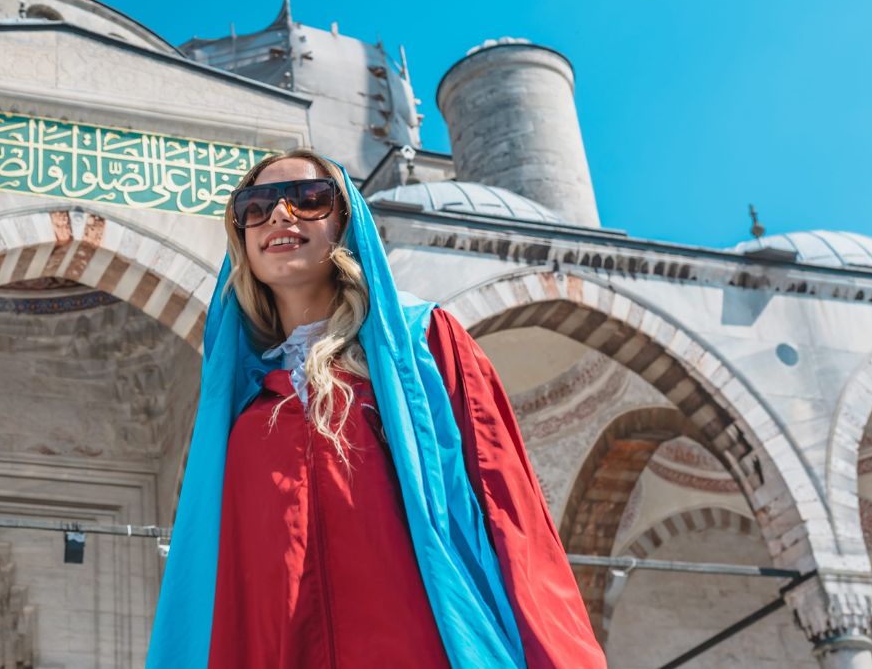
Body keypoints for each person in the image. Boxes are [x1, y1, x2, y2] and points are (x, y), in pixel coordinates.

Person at [148, 149, 604, 668]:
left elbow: (510, 514)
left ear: (347, 222)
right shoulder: (244, 408)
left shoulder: (423, 347)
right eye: (255, 205)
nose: (279, 214)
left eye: (308, 199)